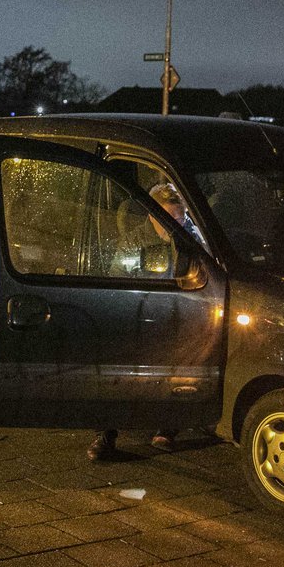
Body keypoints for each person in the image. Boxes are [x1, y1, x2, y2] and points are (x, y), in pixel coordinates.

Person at [88, 181, 200, 461]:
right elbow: (118, 278)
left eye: (180, 216)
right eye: (169, 217)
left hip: (181, 316)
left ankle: (167, 427)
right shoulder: (134, 241)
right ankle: (106, 433)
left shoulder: (195, 239)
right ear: (153, 216)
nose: (176, 223)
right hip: (144, 315)